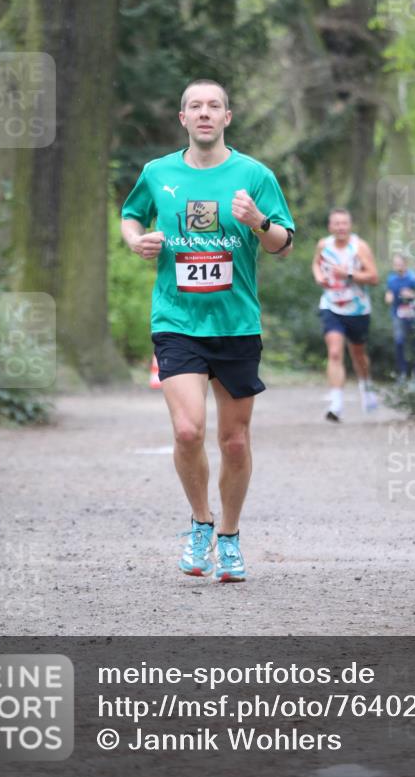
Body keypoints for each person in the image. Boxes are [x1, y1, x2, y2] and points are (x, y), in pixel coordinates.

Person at [121, 79, 295, 582]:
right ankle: (200, 521)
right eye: (194, 106)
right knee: (187, 429)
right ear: (182, 118)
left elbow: (283, 245)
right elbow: (130, 217)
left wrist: (258, 221)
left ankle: (230, 536)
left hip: (236, 324)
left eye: (213, 106)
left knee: (234, 441)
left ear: (226, 117)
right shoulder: (158, 173)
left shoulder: (254, 175)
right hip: (177, 322)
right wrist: (137, 241)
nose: (204, 113)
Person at [312, 208, 379, 420]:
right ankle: (336, 404)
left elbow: (374, 277)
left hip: (358, 308)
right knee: (334, 352)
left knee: (358, 354)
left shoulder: (359, 247)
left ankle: (366, 386)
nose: (340, 227)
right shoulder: (324, 244)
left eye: (344, 224)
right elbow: (316, 263)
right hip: (331, 305)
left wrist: (348, 274)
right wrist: (319, 277)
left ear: (350, 226)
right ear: (330, 226)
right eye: (336, 224)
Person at [385, 253, 415, 380]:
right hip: (398, 315)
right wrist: (388, 297)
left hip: (414, 316)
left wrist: (412, 295)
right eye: (395, 264)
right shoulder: (391, 279)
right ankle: (401, 373)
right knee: (399, 342)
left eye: (400, 264)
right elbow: (389, 294)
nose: (398, 267)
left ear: (405, 264)